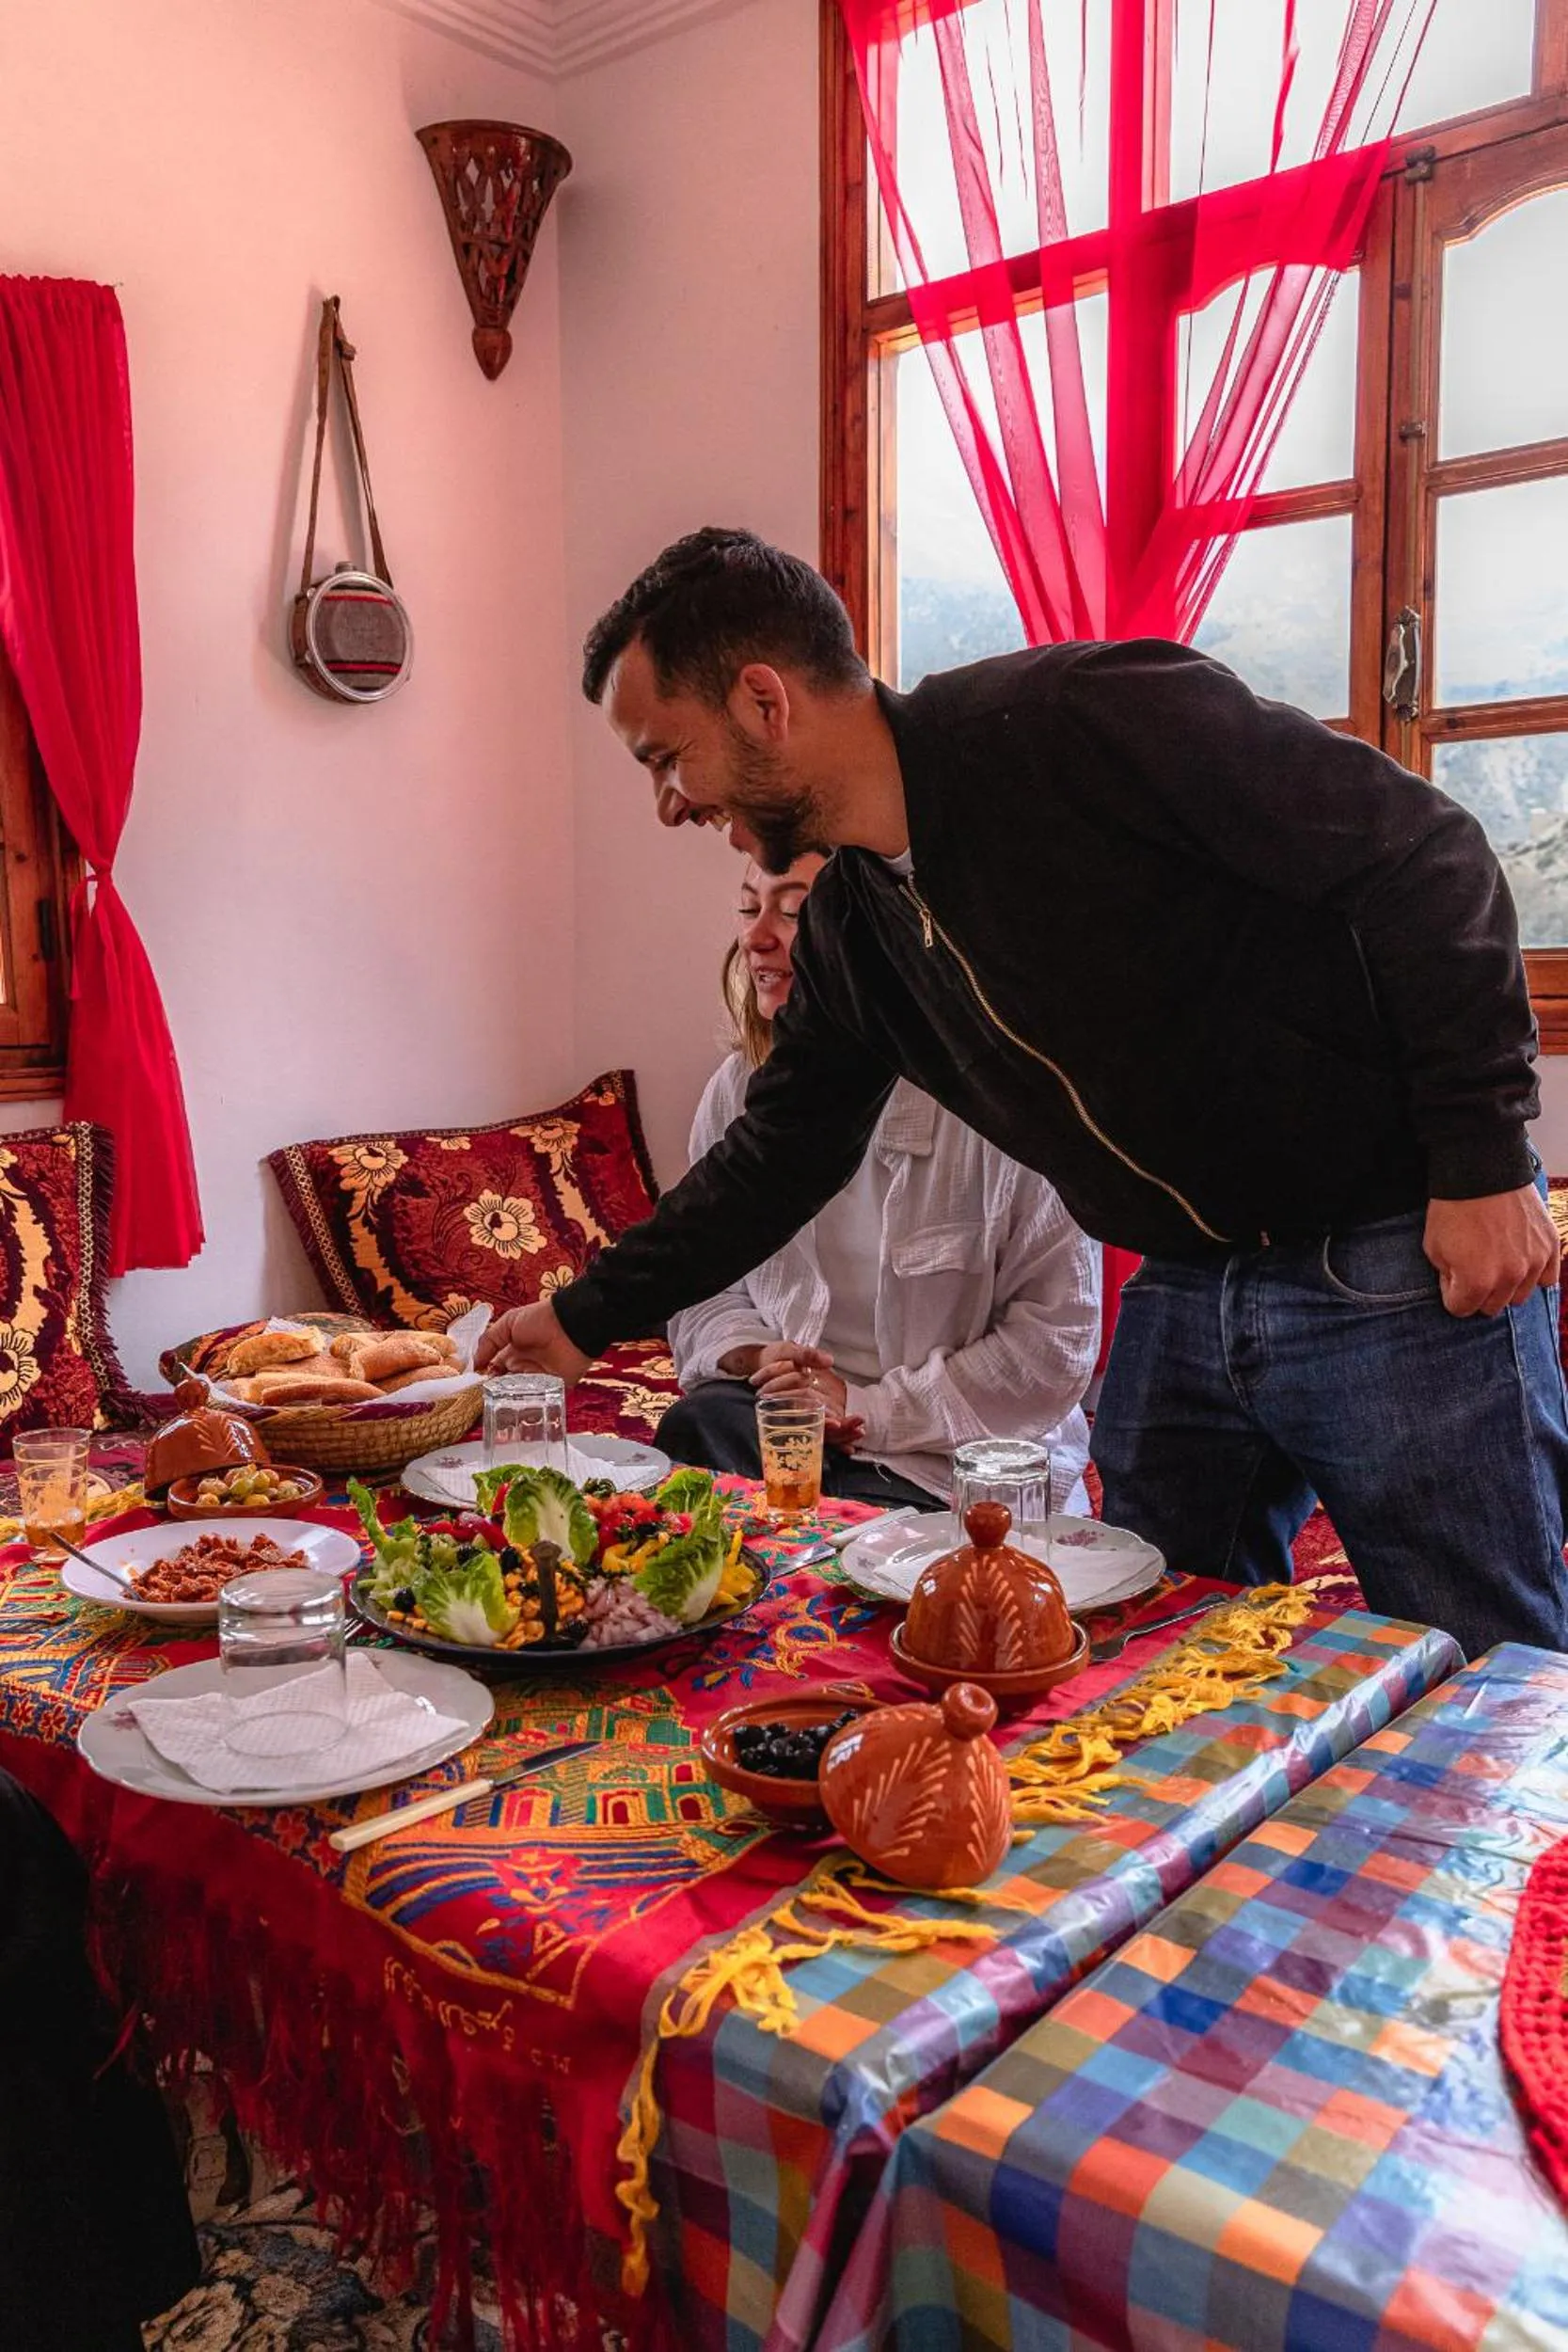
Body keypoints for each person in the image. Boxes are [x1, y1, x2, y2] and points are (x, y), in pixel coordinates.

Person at [480, 528, 1568, 1661]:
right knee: (1161, 1663)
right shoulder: (856, 926)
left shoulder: (1079, 719)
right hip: (1186, 1289)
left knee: (1490, 1673)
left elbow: (1426, 854)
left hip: (1388, 1255)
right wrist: (578, 1318)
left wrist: (1481, 1155)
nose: (667, 804)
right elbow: (776, 1156)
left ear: (762, 701)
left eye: (665, 758)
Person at [657, 851, 1100, 1511]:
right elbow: (699, 1281)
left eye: (794, 910)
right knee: (697, 1428)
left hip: (942, 1458)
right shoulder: (736, 1091)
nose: (755, 936)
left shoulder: (1008, 1110)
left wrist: (864, 1407)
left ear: (885, 936)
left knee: (866, 1545)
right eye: (750, 907)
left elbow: (1053, 1347)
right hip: (780, 1431)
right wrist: (755, 1356)